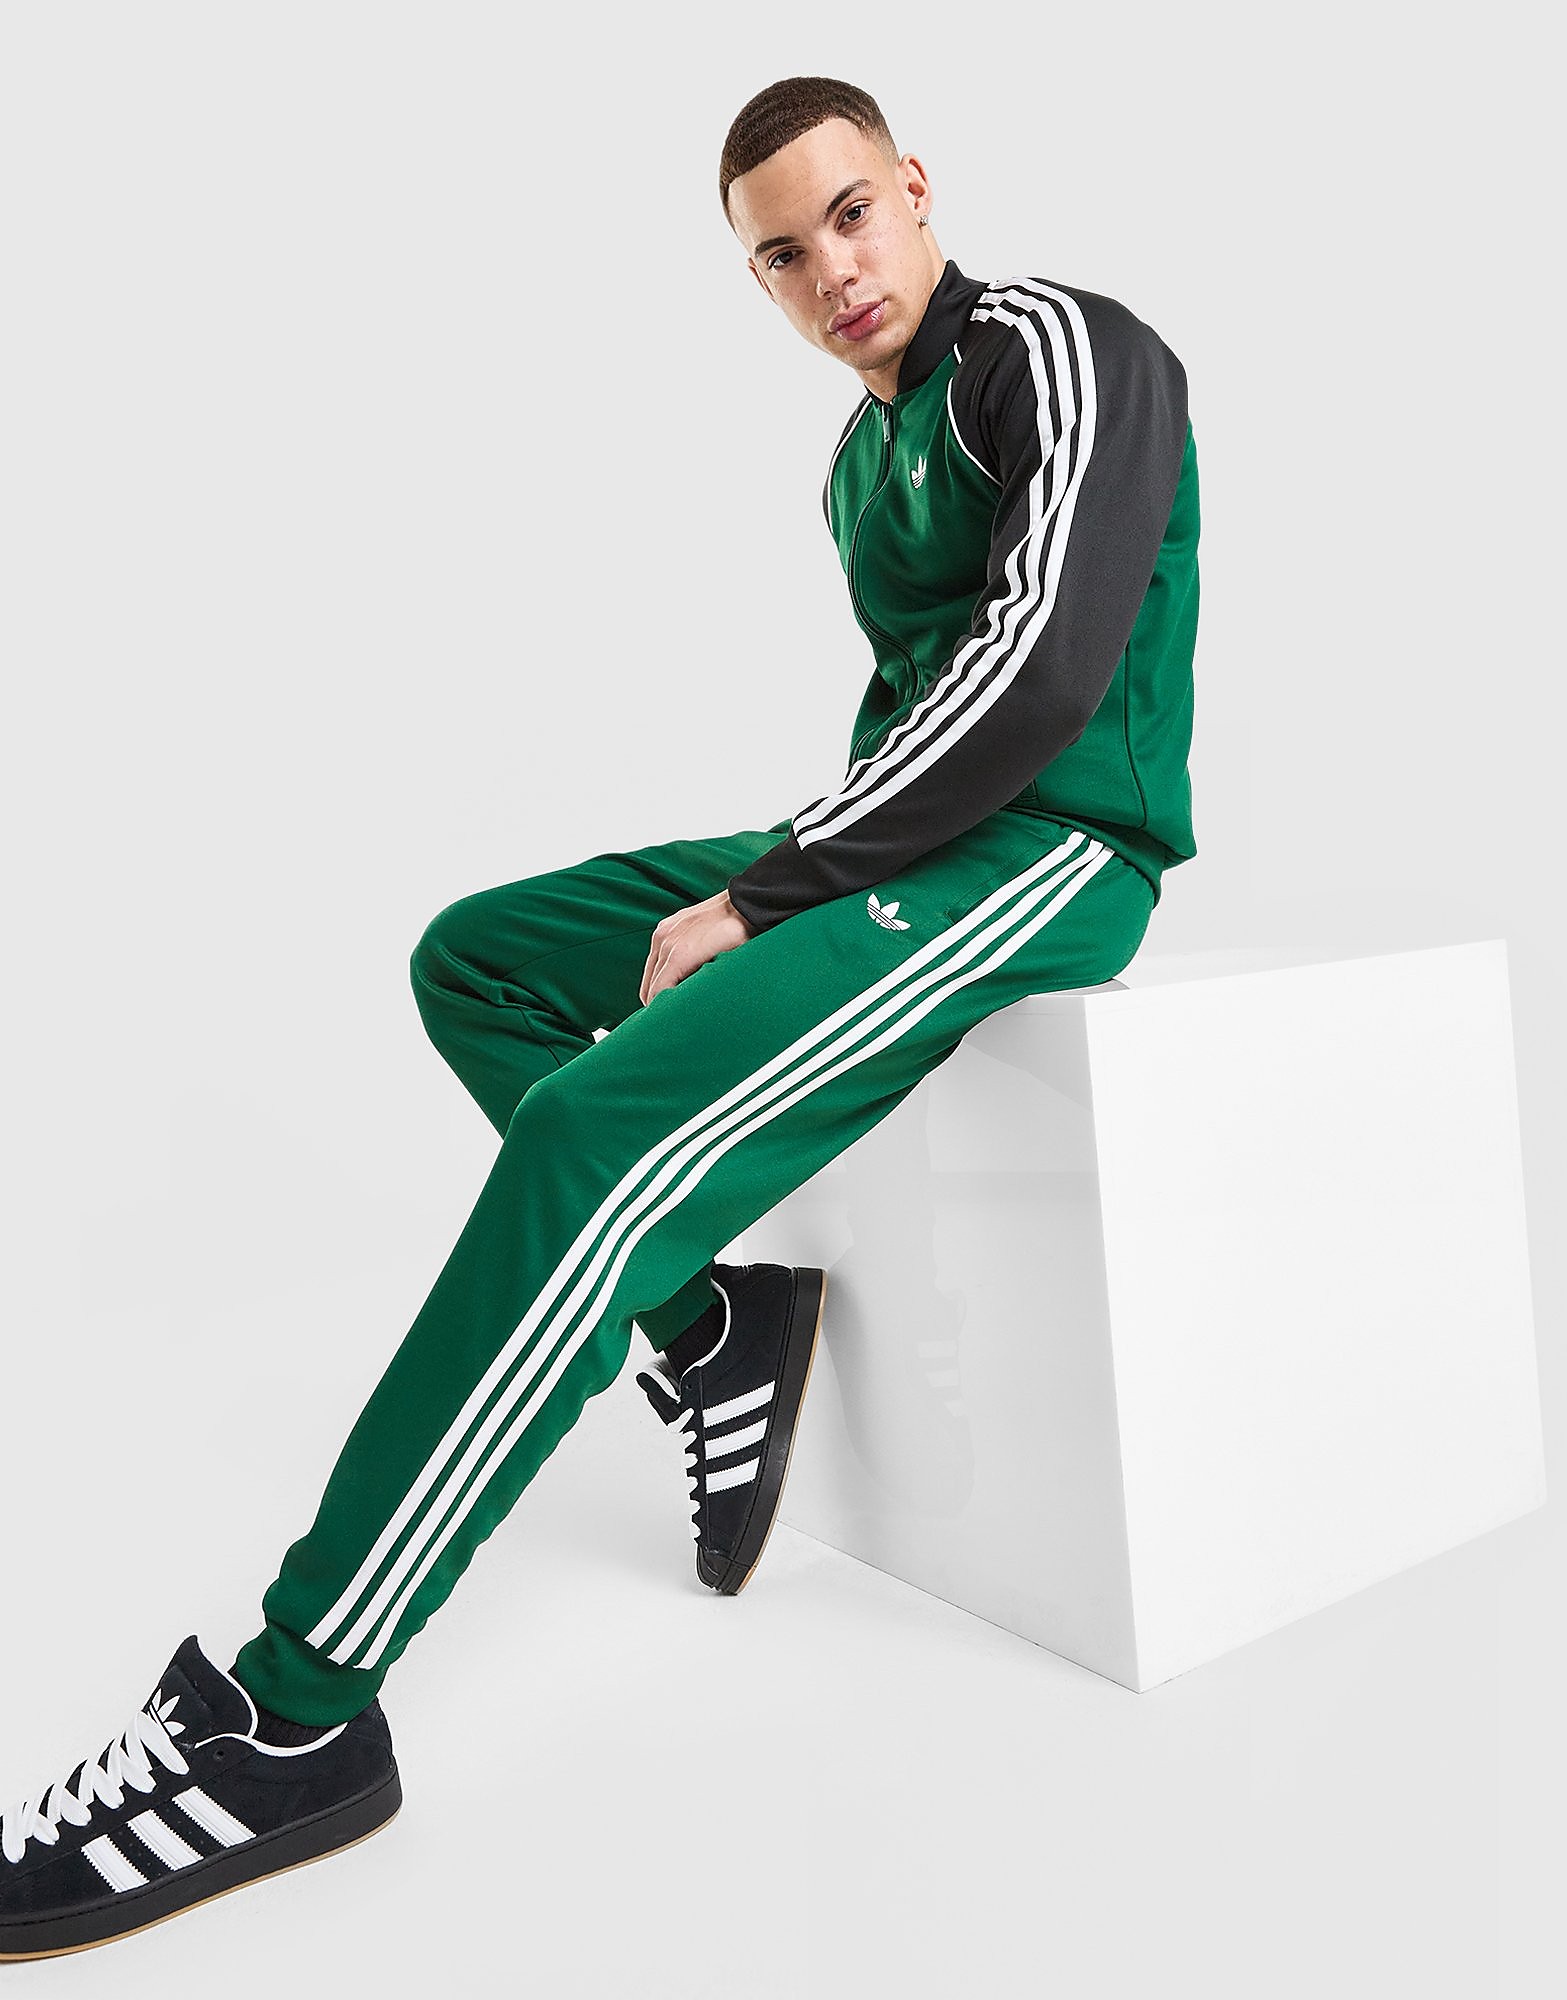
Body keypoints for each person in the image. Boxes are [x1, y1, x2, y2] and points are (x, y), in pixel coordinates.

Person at [0, 72, 1199, 1961]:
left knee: (595, 1138)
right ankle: (715, 1325)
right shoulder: (852, 461)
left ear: (914, 187)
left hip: (1057, 848)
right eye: (782, 256)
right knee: (476, 960)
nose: (832, 271)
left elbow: (1042, 677)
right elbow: (906, 716)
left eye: (851, 215)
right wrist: (788, 878)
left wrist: (770, 898)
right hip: (893, 839)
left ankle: (297, 1714)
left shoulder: (1063, 348)